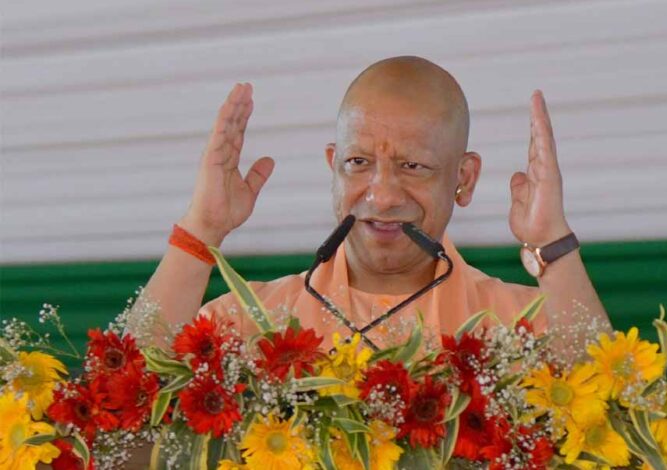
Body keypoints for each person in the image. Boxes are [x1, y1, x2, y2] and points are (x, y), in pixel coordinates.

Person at [135, 56, 610, 356]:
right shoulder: (247, 322)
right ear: (333, 167)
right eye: (358, 163)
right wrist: (202, 229)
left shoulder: (521, 327)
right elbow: (119, 409)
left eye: (413, 166)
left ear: (463, 179)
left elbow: (612, 423)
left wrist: (551, 243)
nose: (381, 195)